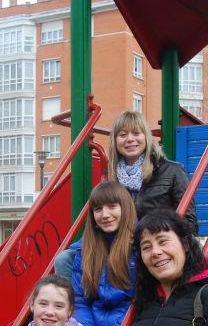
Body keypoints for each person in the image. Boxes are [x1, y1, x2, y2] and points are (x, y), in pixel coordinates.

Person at [55, 110, 196, 277]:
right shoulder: (112, 177)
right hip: (118, 242)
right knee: (64, 259)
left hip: (151, 241)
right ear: (115, 141)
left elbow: (189, 221)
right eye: (122, 135)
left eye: (136, 133)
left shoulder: (172, 172)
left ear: (146, 137)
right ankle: (77, 295)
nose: (130, 139)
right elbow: (102, 220)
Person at [70, 180, 137, 326]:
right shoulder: (85, 250)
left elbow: (136, 306)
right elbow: (80, 300)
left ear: (125, 208)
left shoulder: (138, 249)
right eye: (98, 209)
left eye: (112, 206)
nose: (105, 215)